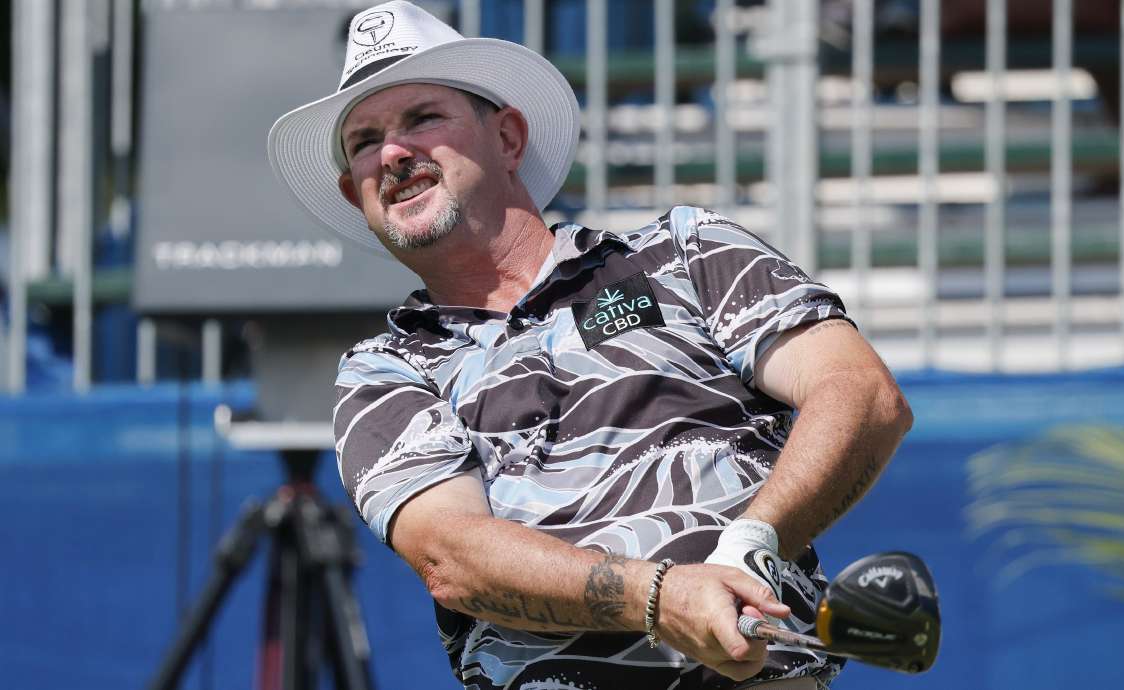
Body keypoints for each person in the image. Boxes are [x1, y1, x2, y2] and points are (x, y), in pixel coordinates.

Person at [268, 3, 912, 688]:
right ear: (355, 191)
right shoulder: (382, 372)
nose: (393, 153)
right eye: (367, 140)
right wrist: (660, 597)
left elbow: (860, 393)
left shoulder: (686, 250)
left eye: (422, 118)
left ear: (509, 137)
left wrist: (757, 538)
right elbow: (453, 557)